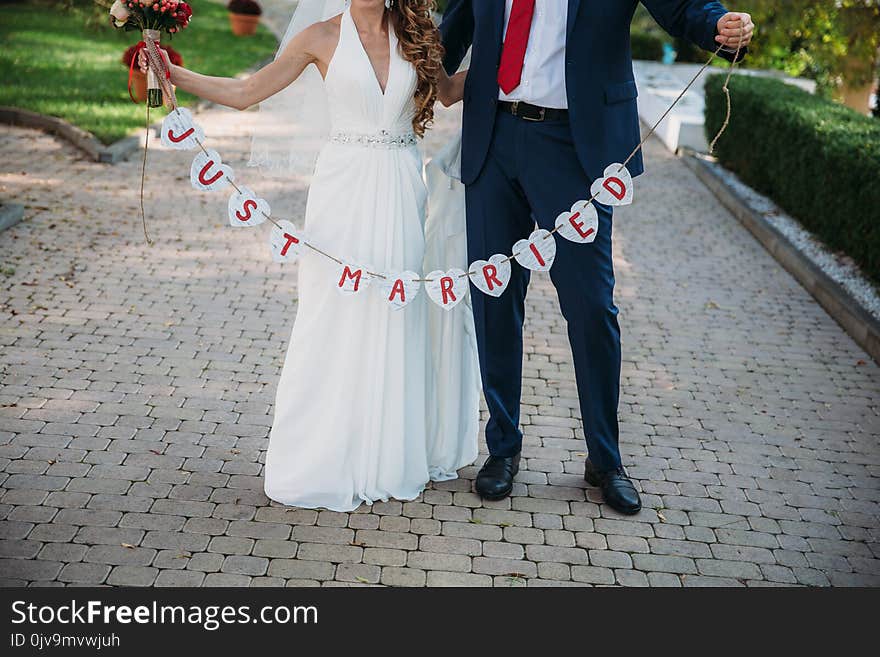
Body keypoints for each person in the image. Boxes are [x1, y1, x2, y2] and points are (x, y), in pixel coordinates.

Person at [141, 0, 481, 512]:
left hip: (401, 188)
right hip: (343, 192)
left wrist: (504, 61)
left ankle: (388, 455)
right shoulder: (320, 37)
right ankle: (322, 456)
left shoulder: (415, 32)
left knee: (395, 312)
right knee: (334, 317)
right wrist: (174, 72)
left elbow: (451, 93)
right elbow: (244, 94)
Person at [439, 0, 753, 513]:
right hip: (492, 138)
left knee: (591, 310)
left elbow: (681, 7)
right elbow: (451, 33)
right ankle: (503, 448)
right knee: (493, 299)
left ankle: (605, 460)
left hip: (574, 147)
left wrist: (718, 24)